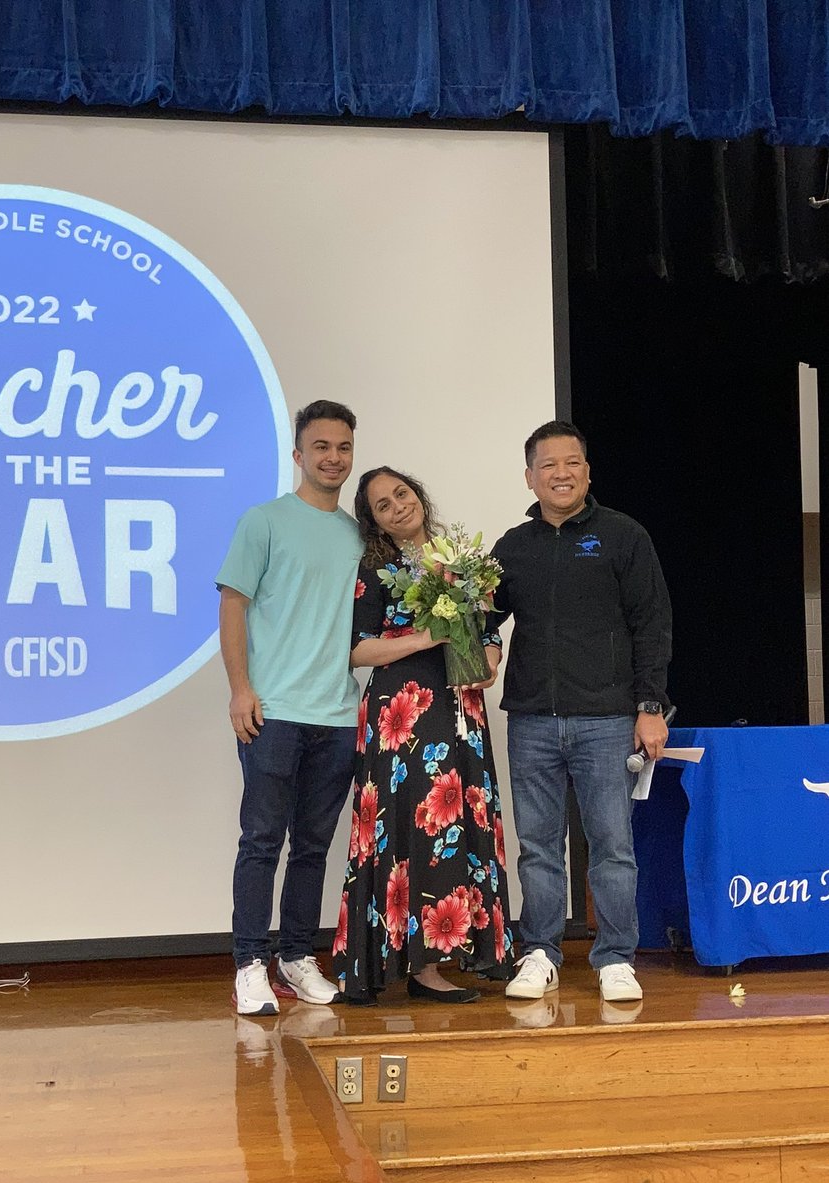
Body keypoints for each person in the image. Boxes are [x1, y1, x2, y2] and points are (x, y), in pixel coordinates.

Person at [486, 420, 671, 1004]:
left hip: (607, 719)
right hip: (532, 720)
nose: (560, 474)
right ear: (530, 477)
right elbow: (487, 623)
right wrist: (480, 649)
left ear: (587, 472)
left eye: (571, 463)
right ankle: (539, 952)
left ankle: (615, 957)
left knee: (611, 844)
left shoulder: (623, 535)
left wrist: (649, 708)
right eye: (548, 465)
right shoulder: (512, 546)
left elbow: (652, 625)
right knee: (538, 845)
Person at [333, 467, 514, 1004]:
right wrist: (423, 637)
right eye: (383, 506)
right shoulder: (374, 569)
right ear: (375, 523)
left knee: (462, 821)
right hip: (403, 715)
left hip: (461, 707)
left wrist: (491, 657)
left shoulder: (458, 561)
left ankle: (461, 953)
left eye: (401, 495)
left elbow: (486, 630)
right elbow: (356, 649)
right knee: (413, 828)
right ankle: (416, 967)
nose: (397, 507)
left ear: (418, 496)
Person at [216, 400, 362, 1016]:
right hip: (272, 711)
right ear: (299, 455)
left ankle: (297, 957)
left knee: (313, 844)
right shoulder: (264, 521)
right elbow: (233, 604)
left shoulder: (360, 534)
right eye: (321, 447)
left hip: (337, 715)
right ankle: (250, 962)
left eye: (344, 448)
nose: (333, 458)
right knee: (261, 840)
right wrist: (240, 688)